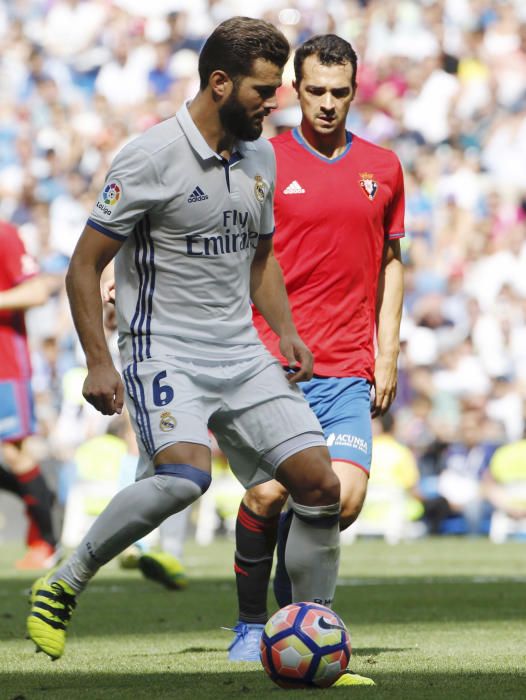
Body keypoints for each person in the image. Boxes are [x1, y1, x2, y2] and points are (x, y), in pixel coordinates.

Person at [26, 18, 343, 670]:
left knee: (319, 485)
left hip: (241, 350)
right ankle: (65, 578)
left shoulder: (259, 154)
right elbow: (84, 265)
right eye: (262, 89)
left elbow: (260, 257)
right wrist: (97, 360)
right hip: (163, 349)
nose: (273, 101)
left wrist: (283, 329)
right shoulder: (149, 157)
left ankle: (320, 640)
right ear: (219, 83)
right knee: (184, 477)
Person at [227, 34, 404, 685]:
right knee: (273, 491)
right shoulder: (260, 160)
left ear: (355, 91)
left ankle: (299, 619)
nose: (327, 104)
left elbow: (391, 261)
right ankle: (253, 624)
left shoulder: (383, 167)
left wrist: (387, 352)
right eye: (315, 91)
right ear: (293, 91)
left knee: (342, 499)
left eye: (339, 92)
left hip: (348, 366)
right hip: (272, 365)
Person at [0, 220, 61, 570]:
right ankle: (36, 493)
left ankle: (47, 543)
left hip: (5, 366)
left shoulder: (5, 234)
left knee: (15, 453)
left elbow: (37, 292)